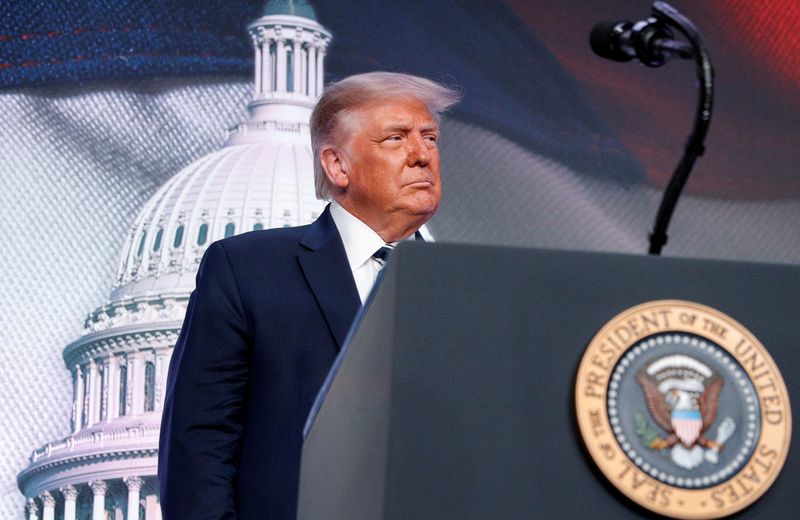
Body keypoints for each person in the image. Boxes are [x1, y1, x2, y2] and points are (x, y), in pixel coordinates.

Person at [158, 71, 461, 519]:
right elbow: (198, 445)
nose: (422, 155)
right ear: (337, 165)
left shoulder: (466, 286)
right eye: (396, 139)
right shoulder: (248, 270)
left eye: (430, 137)